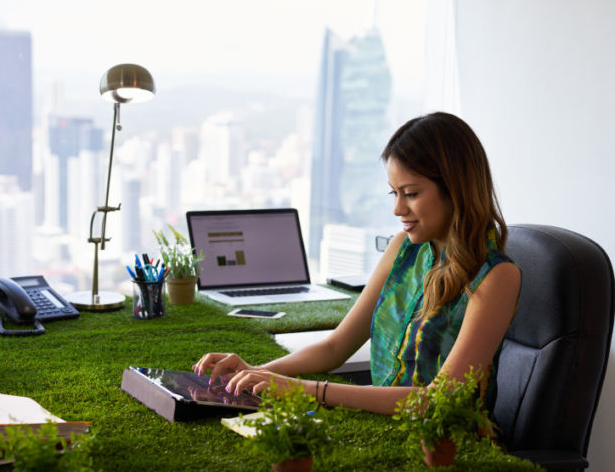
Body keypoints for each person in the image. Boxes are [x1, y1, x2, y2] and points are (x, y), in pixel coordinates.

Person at [194, 112, 521, 416]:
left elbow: (437, 400)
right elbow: (335, 346)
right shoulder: (402, 250)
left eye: (410, 193)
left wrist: (305, 389)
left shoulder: (496, 277)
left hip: (450, 448)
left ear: (456, 189)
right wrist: (258, 371)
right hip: (385, 425)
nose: (398, 209)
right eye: (393, 193)